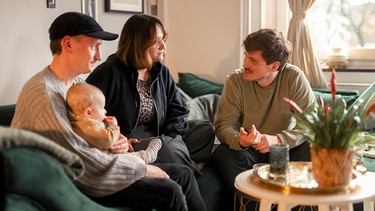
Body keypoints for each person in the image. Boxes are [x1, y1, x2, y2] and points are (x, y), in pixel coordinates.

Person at [11, 12, 206, 211]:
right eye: (94, 46)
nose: (100, 56)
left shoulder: (76, 85)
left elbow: (92, 127)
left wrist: (117, 139)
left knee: (183, 173)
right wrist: (143, 169)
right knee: (169, 190)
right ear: (68, 44)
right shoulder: (44, 93)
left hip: (99, 166)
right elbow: (80, 162)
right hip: (75, 182)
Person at [86, 14, 215, 175]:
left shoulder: (160, 71)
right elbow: (88, 116)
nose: (163, 46)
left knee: (205, 129)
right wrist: (118, 137)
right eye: (157, 41)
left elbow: (178, 109)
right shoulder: (108, 72)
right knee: (165, 146)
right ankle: (190, 170)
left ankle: (172, 154)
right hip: (132, 139)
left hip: (161, 133)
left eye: (163, 40)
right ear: (139, 44)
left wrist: (171, 136)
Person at [213, 29, 315, 209]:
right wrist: (241, 140)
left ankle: (299, 206)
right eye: (245, 56)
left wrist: (278, 140)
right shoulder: (236, 81)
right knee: (223, 154)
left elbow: (310, 123)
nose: (244, 63)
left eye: (253, 60)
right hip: (251, 150)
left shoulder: (294, 77)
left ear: (274, 66)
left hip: (286, 150)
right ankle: (258, 207)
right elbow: (224, 125)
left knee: (315, 146)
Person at [66, 82, 161, 163]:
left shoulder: (79, 122)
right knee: (132, 159)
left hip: (109, 155)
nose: (105, 111)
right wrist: (113, 126)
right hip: (108, 158)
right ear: (88, 112)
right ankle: (147, 156)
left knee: (129, 156)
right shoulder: (87, 125)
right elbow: (107, 140)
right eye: (102, 108)